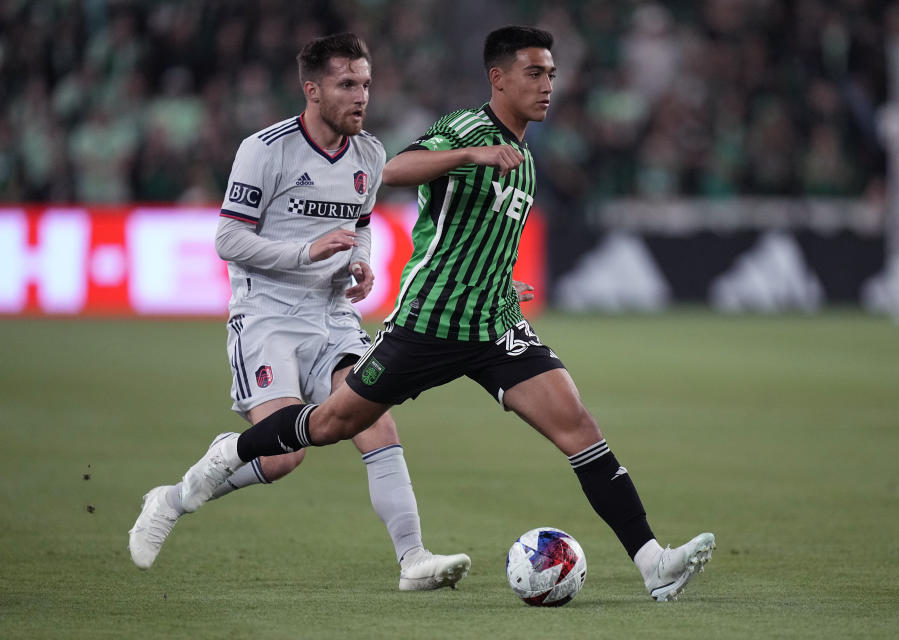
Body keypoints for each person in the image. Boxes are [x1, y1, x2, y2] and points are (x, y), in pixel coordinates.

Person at [175, 26, 715, 602]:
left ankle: (654, 562)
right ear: (498, 78)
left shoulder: (525, 158)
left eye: (552, 74)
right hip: (428, 323)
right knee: (332, 424)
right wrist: (469, 155)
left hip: (493, 325)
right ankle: (233, 451)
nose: (547, 85)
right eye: (534, 73)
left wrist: (499, 277)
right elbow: (394, 170)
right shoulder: (468, 130)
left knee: (578, 426)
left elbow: (479, 237)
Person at [128, 33, 471, 592]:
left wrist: (362, 262)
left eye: (365, 84)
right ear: (312, 89)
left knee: (375, 420)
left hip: (333, 313)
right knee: (285, 455)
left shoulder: (371, 154)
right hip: (267, 314)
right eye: (346, 85)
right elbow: (227, 240)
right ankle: (172, 499)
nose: (361, 96)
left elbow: (358, 226)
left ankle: (413, 560)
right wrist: (304, 253)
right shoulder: (266, 149)